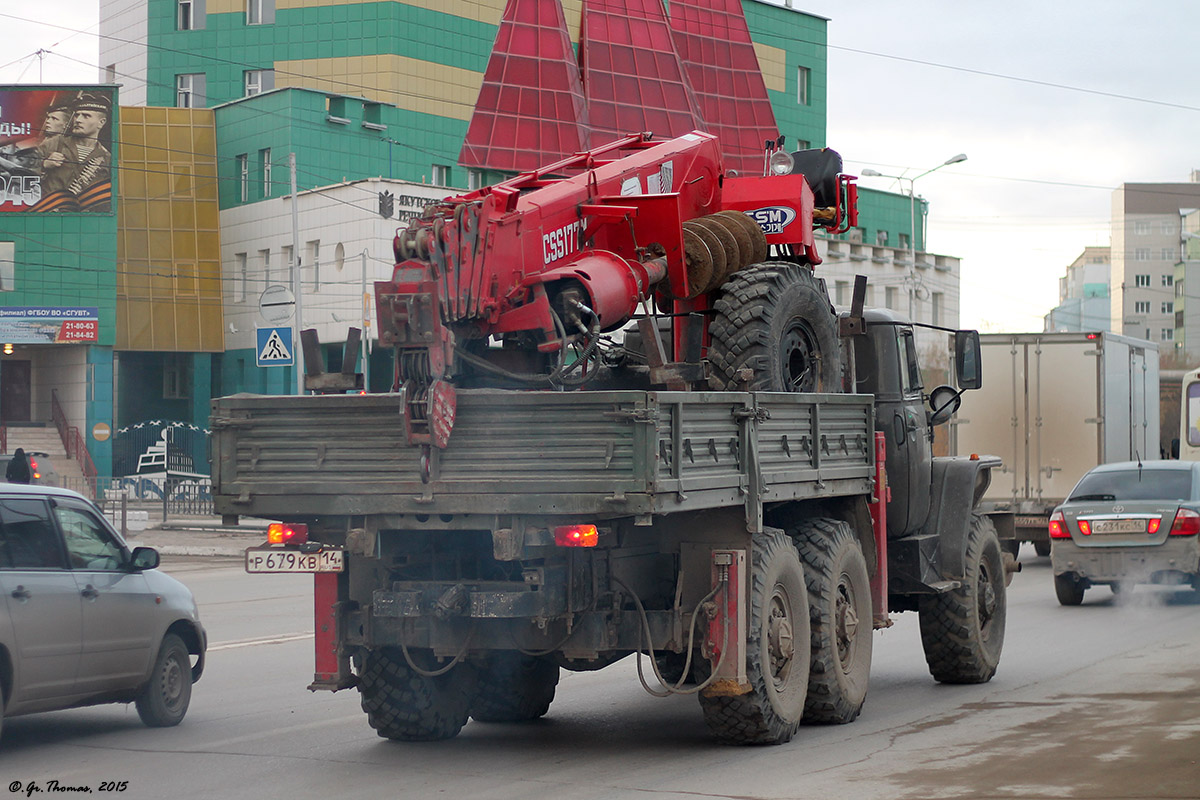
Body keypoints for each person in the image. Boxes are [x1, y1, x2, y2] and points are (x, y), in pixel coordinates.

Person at [33, 91, 113, 212]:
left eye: (86, 116)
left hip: (82, 220)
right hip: (50, 214)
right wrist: (44, 164)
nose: (78, 120)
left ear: (101, 122)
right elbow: (20, 171)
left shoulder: (106, 158)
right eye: (77, 115)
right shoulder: (54, 144)